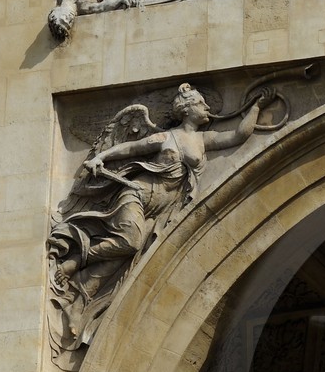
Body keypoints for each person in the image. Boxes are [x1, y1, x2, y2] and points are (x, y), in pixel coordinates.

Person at [48, 83, 271, 351]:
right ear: (187, 110)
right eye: (202, 104)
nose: (208, 108)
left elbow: (237, 136)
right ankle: (75, 260)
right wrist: (101, 158)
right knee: (129, 242)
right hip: (136, 196)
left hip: (162, 211)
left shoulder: (203, 140)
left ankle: (80, 302)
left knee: (122, 262)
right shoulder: (166, 138)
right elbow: (130, 149)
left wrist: (257, 106)